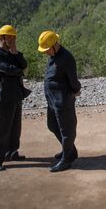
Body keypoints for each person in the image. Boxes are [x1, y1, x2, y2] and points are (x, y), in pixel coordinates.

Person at [0, 25, 30, 171]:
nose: (12, 39)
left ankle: (11, 153)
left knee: (15, 128)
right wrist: (21, 70)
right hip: (3, 97)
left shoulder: (14, 54)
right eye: (8, 36)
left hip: (16, 96)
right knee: (1, 129)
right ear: (1, 38)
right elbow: (8, 69)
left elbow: (24, 64)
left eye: (13, 36)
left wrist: (15, 52)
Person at [38, 30, 81, 172]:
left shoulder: (66, 58)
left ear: (54, 45)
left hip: (63, 101)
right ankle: (70, 151)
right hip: (52, 101)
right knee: (52, 126)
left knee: (66, 130)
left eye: (46, 49)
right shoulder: (54, 55)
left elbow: (73, 80)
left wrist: (76, 90)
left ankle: (67, 160)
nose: (45, 52)